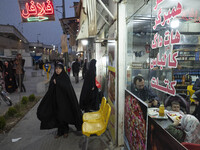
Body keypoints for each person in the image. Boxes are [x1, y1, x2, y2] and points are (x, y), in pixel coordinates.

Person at [37, 62, 82, 138]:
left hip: (64, 101)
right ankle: (59, 132)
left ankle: (65, 131)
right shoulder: (54, 77)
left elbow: (67, 87)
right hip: (55, 101)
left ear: (62, 69)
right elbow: (51, 87)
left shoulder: (65, 77)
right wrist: (53, 82)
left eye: (59, 68)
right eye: (56, 68)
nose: (57, 70)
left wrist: (58, 82)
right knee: (57, 116)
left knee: (64, 116)